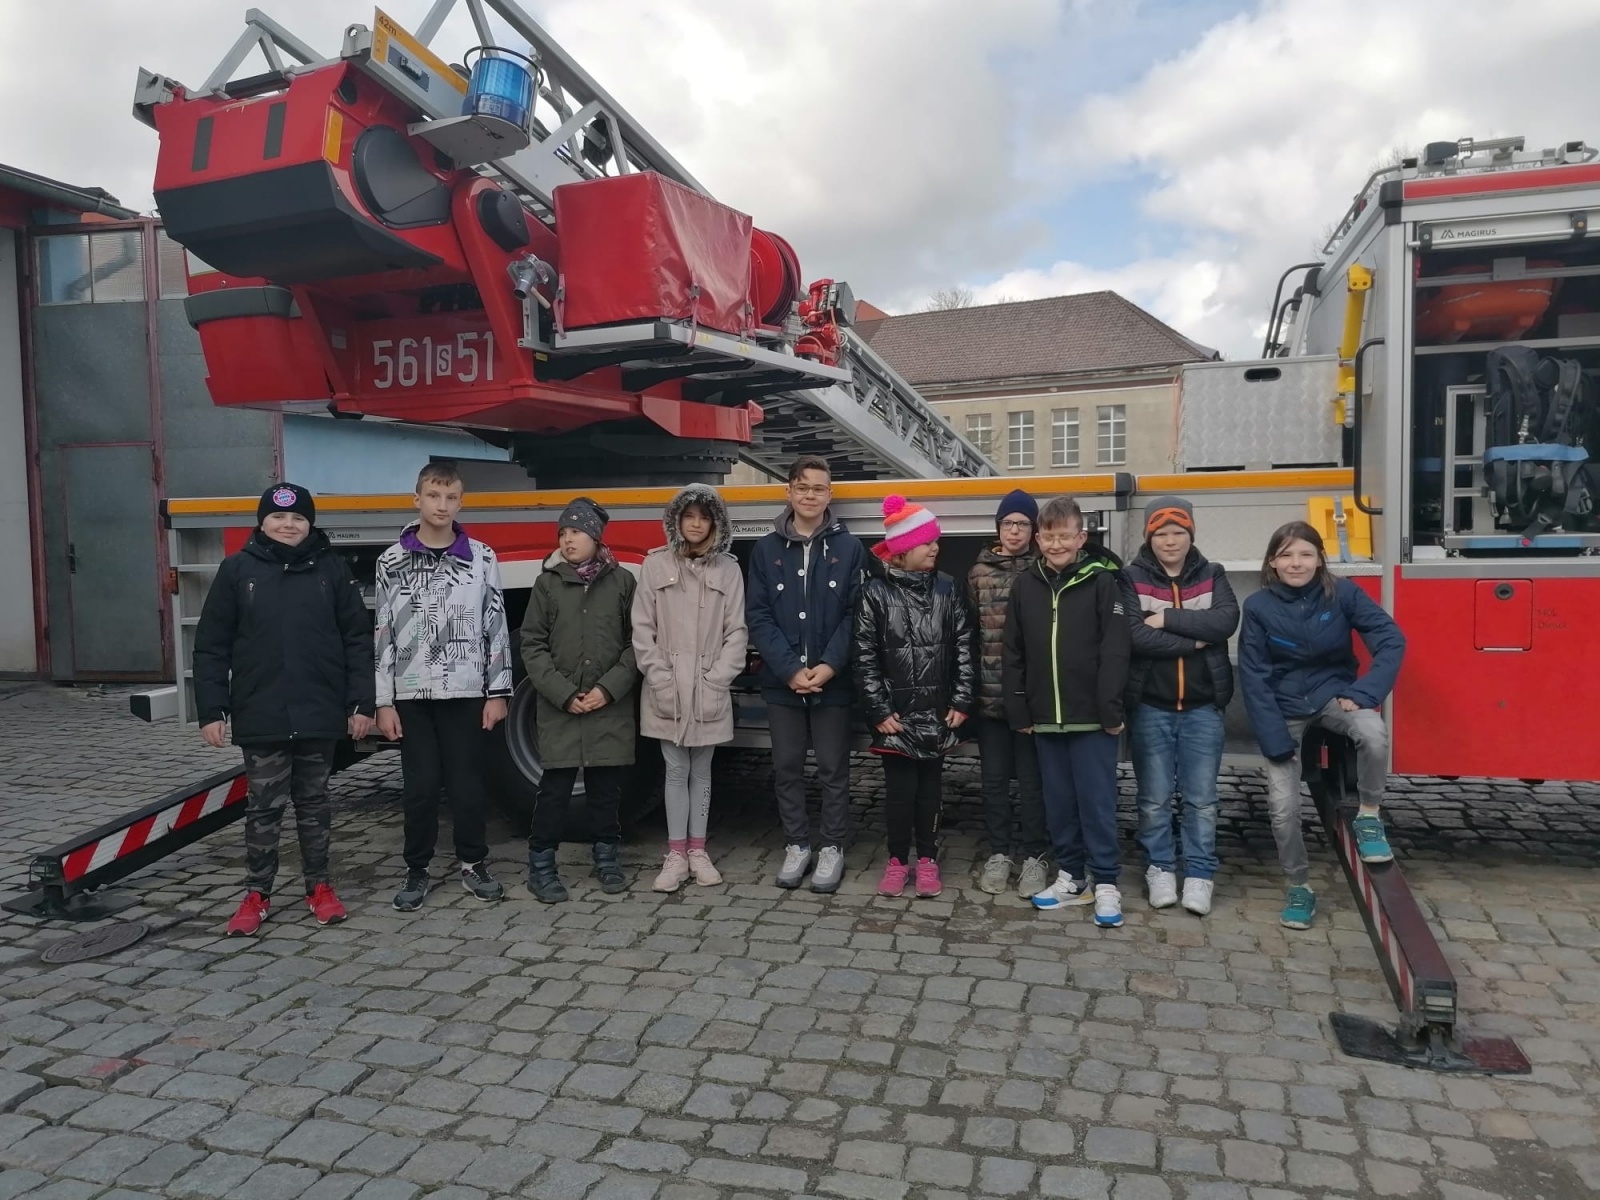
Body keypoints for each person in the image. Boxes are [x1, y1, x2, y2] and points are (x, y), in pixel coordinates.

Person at [192, 483, 375, 937]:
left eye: (297, 518)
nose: (288, 525)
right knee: (263, 808)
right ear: (262, 522)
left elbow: (357, 640)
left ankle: (319, 886)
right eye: (277, 517)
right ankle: (256, 893)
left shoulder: (331, 571)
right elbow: (211, 646)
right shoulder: (236, 571)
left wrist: (361, 703)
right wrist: (211, 707)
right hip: (262, 713)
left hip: (318, 711)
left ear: (310, 523)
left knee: (315, 804)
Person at [1239, 520, 1406, 930]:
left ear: (1319, 559)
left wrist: (1366, 693)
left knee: (1373, 734)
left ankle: (1368, 815)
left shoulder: (1343, 592)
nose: (1296, 563)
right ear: (1273, 562)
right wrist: (1275, 739)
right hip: (1284, 708)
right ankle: (1299, 887)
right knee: (1282, 809)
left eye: (1305, 554)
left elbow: (1390, 639)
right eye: (1287, 555)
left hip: (1334, 694)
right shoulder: (1258, 607)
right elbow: (1254, 676)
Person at [375, 461, 513, 911]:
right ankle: (417, 869)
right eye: (433, 496)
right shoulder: (391, 561)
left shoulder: (483, 558)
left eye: (450, 497)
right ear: (417, 500)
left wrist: (498, 692)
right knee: (420, 786)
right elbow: (382, 634)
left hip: (467, 690)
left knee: (467, 784)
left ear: (460, 502)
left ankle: (473, 863)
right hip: (412, 693)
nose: (442, 505)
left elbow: (496, 626)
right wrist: (383, 701)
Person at [1003, 496, 1131, 928]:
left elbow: (1115, 650)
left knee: (1096, 802)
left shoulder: (1103, 582)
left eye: (1065, 536)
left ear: (1082, 538)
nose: (1056, 544)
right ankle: (1072, 877)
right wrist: (1019, 707)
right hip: (1044, 717)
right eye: (1049, 536)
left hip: (1092, 718)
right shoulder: (1026, 584)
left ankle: (1107, 882)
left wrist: (1110, 708)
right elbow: (1013, 651)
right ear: (1038, 539)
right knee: (1058, 802)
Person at [745, 455, 866, 893]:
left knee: (835, 769)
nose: (810, 495)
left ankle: (831, 847)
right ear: (789, 492)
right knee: (788, 767)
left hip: (833, 683)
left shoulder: (850, 549)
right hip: (783, 684)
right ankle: (797, 844)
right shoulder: (766, 550)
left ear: (829, 495)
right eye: (802, 487)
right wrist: (791, 669)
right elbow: (758, 615)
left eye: (819, 488)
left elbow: (857, 615)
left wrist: (829, 666)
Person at [1120, 496, 1238, 918]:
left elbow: (1225, 622)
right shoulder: (1131, 578)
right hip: (1151, 707)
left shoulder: (1212, 574)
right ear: (1150, 537)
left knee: (1202, 799)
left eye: (1178, 532)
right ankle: (1160, 868)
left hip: (1204, 708)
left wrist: (1167, 617)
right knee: (1153, 798)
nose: (1170, 540)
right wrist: (1197, 638)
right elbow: (1135, 636)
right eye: (1162, 533)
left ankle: (1201, 874)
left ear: (1191, 536)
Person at [853, 495, 975, 900]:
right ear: (903, 549)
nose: (935, 548)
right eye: (927, 542)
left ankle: (927, 858)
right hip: (897, 719)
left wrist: (960, 700)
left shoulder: (947, 588)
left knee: (931, 792)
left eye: (935, 541)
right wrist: (879, 709)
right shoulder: (874, 593)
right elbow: (864, 655)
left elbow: (962, 645)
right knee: (899, 794)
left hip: (937, 714)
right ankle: (896, 860)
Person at [520, 497, 638, 903]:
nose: (569, 540)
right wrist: (563, 693)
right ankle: (541, 864)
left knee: (606, 789)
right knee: (554, 789)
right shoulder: (547, 584)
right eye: (563, 533)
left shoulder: (622, 583)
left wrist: (608, 689)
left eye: (577, 532)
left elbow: (635, 644)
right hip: (561, 708)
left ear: (596, 537)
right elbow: (532, 644)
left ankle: (606, 857)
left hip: (609, 706)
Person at [633, 483, 747, 892]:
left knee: (703, 769)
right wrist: (660, 677)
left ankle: (699, 850)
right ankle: (676, 854)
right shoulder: (655, 565)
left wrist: (717, 678)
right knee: (675, 769)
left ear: (716, 523)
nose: (696, 524)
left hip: (708, 685)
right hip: (667, 684)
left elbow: (737, 631)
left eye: (705, 516)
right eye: (689, 516)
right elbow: (642, 628)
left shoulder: (728, 570)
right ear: (677, 521)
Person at [967, 488, 1050, 898]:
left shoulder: (1044, 571)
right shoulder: (979, 572)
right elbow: (969, 634)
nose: (1014, 530)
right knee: (995, 781)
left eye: (1022, 523)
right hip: (989, 696)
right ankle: (999, 853)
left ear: (1034, 530)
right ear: (998, 527)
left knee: (1033, 783)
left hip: (1032, 698)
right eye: (1007, 523)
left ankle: (1035, 856)